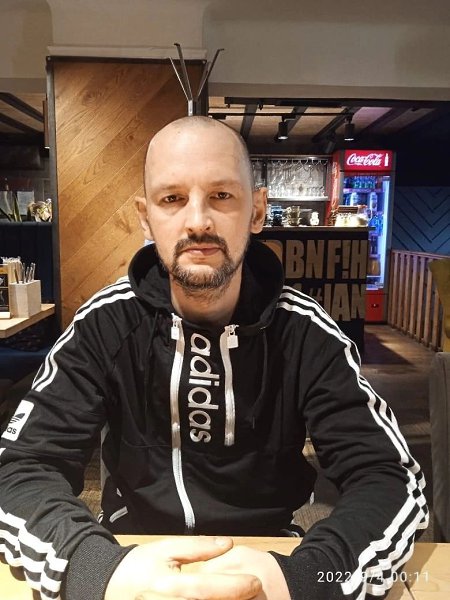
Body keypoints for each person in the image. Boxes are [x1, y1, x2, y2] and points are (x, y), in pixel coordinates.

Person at [0, 116, 428, 600]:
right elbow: (20, 468)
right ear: (146, 217)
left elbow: (389, 478)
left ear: (257, 211)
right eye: (172, 199)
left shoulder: (308, 333)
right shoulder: (104, 324)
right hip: (130, 557)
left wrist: (307, 578)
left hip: (270, 560)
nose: (198, 221)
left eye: (222, 196)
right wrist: (96, 569)